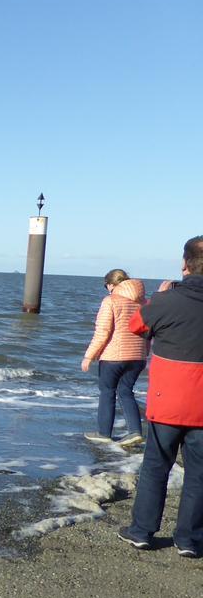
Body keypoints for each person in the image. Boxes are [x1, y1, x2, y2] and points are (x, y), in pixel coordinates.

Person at [118, 236, 203, 558]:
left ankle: (142, 531)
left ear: (185, 264)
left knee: (156, 467)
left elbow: (136, 326)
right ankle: (189, 540)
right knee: (199, 474)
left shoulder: (165, 301)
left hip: (168, 402)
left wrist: (161, 297)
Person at [80, 269, 147, 445]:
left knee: (107, 392)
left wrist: (89, 356)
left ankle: (104, 433)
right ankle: (135, 431)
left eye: (106, 285)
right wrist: (144, 352)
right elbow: (148, 331)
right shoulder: (143, 303)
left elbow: (103, 332)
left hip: (114, 356)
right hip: (138, 357)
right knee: (126, 391)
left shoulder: (110, 301)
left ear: (111, 285)